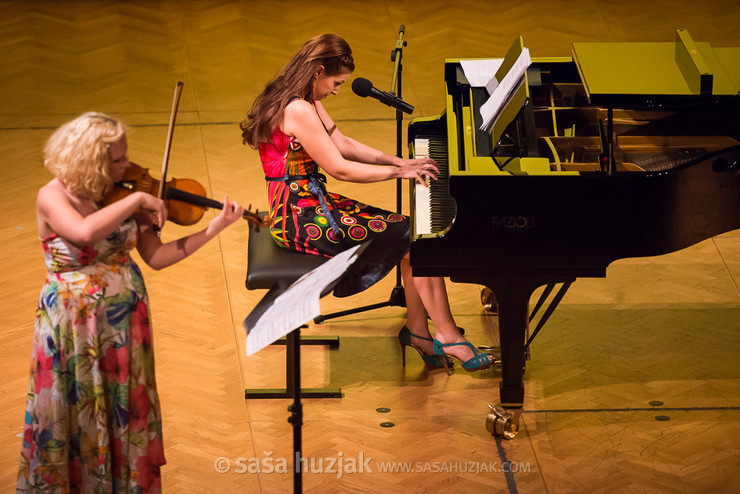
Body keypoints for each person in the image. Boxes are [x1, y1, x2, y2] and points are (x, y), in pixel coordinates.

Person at [240, 33, 493, 375]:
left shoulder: (299, 96)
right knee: (414, 240)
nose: (336, 90)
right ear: (317, 71)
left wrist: (400, 161)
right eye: (336, 82)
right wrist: (398, 174)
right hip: (301, 218)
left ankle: (420, 332)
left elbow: (341, 143)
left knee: (411, 235)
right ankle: (446, 335)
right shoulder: (297, 108)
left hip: (311, 202)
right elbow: (339, 167)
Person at [17, 112, 244, 492]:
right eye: (117, 160)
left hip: (123, 326)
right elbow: (85, 233)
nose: (127, 166)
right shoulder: (53, 195)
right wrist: (139, 197)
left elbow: (157, 257)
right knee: (73, 409)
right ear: (88, 159)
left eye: (125, 158)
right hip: (73, 326)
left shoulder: (118, 195)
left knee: (123, 407)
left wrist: (212, 229)